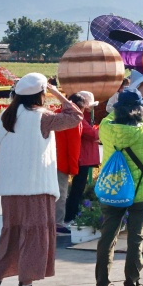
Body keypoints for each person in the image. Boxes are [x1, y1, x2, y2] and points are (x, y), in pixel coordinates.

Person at [0, 73, 83, 286]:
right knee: (33, 240)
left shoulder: (4, 118)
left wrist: (7, 181)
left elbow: (0, 157)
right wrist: (57, 92)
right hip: (36, 189)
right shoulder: (42, 117)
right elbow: (76, 116)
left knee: (10, 239)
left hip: (10, 190)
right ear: (40, 93)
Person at [94, 88, 143, 286]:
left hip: (112, 191)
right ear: (138, 109)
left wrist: (116, 108)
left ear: (117, 109)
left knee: (107, 239)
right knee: (135, 240)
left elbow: (109, 117)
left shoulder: (106, 129)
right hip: (139, 193)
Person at [64, 91, 100, 226]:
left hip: (83, 157)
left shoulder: (81, 116)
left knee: (77, 188)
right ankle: (70, 216)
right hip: (82, 158)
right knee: (77, 189)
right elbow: (91, 133)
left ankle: (71, 215)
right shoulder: (79, 117)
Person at [54, 85, 83, 235]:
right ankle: (58, 223)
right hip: (62, 163)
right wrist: (74, 168)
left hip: (49, 161)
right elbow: (73, 147)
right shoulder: (72, 122)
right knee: (61, 193)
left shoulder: (54, 115)